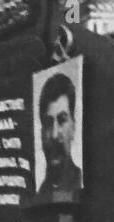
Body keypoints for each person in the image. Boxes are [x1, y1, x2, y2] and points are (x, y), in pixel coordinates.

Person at [36, 70, 82, 201]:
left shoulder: (82, 182)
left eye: (62, 120)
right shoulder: (41, 192)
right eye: (48, 123)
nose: (55, 135)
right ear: (41, 133)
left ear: (73, 127)